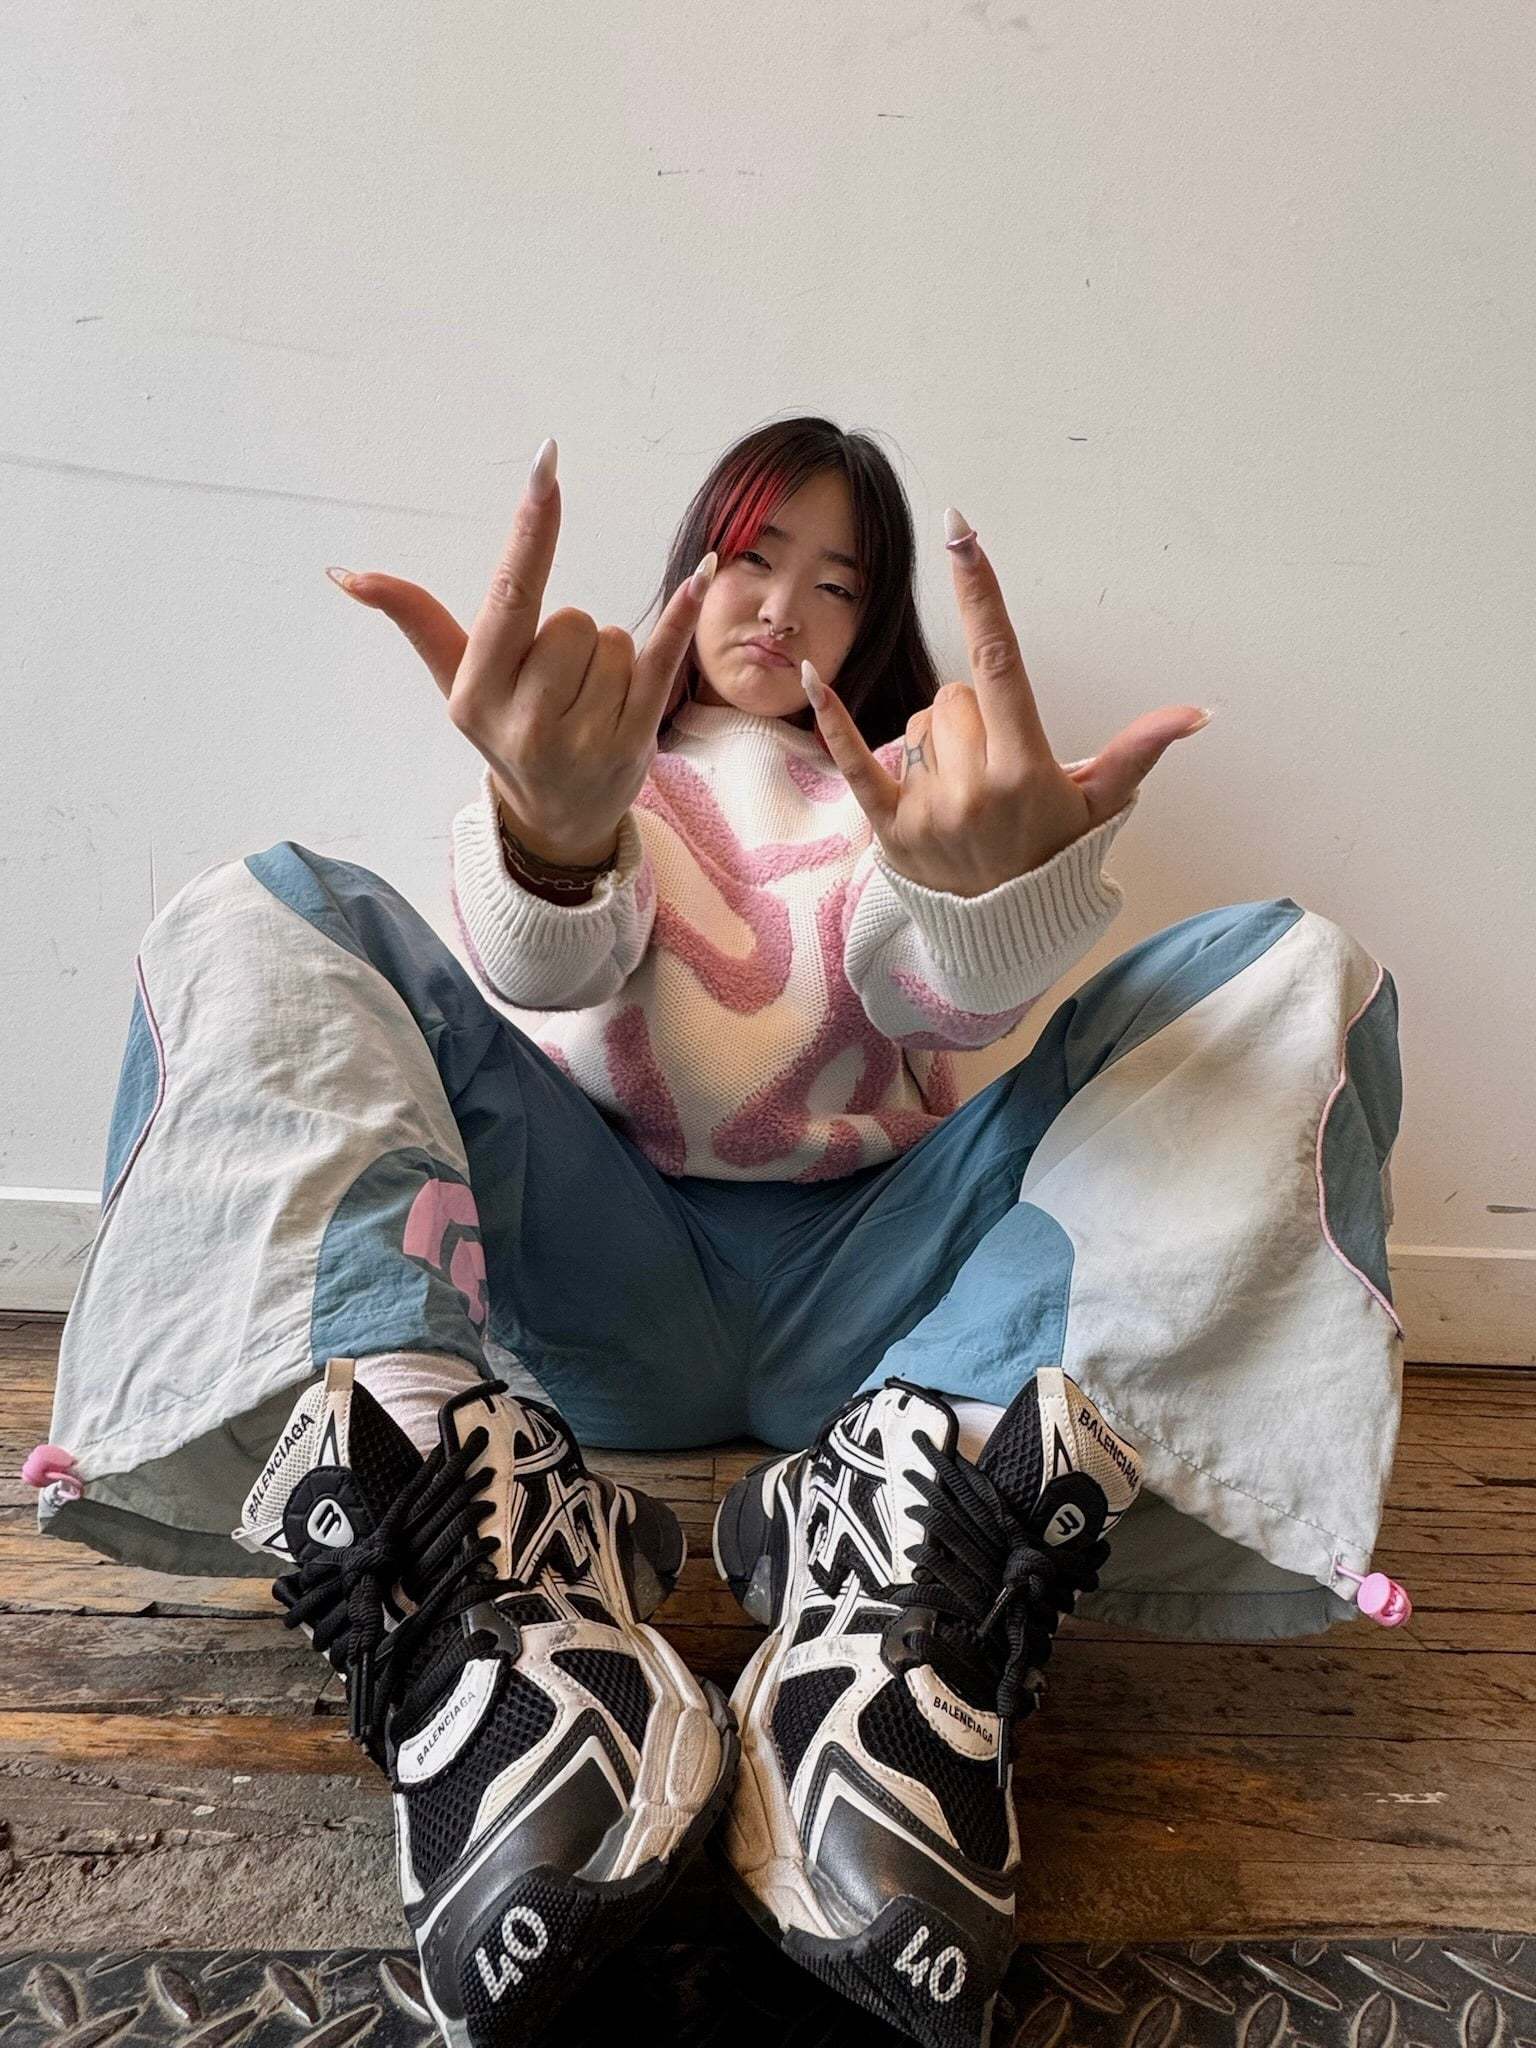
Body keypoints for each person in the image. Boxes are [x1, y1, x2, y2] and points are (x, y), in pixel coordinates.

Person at [25, 417, 1407, 2048]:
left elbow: (933, 989)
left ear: (874, 624)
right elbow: (548, 967)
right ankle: (466, 1547)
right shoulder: (596, 756)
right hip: (606, 1262)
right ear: (694, 560)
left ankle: (907, 1553)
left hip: (887, 1299)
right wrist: (553, 834)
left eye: (838, 583)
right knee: (269, 908)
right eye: (756, 556)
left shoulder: (907, 784)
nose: (784, 606)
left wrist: (981, 905)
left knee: (1291, 967)